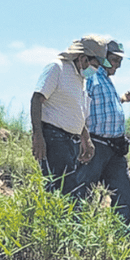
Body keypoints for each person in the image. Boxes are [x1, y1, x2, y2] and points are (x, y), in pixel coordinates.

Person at [30, 36, 111, 197]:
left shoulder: (80, 78)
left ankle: (61, 221)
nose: (95, 70)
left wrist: (85, 138)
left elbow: (76, 111)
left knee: (68, 189)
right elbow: (36, 99)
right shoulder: (57, 68)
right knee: (63, 189)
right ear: (82, 58)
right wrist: (37, 135)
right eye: (95, 65)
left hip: (71, 140)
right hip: (54, 137)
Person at [80, 39, 130, 229]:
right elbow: (80, 106)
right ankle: (77, 235)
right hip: (95, 145)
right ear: (103, 58)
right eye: (114, 60)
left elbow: (104, 107)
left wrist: (122, 99)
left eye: (119, 62)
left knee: (123, 192)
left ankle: (125, 240)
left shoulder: (106, 79)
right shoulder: (89, 76)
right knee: (83, 192)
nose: (118, 65)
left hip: (115, 147)